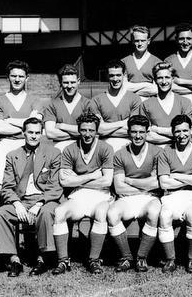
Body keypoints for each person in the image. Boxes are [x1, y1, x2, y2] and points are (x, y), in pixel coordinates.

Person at [0, 117, 61, 277]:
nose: (34, 136)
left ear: (42, 133)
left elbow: (55, 186)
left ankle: (42, 259)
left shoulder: (53, 153)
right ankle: (14, 259)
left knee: (45, 213)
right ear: (23, 133)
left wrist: (39, 204)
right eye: (30, 132)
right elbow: (7, 187)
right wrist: (17, 204)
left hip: (45, 200)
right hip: (22, 201)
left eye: (37, 133)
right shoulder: (13, 155)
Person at [51, 112, 114, 275]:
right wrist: (93, 176)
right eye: (84, 130)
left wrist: (77, 178)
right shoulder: (69, 149)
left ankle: (94, 259)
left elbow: (107, 181)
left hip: (101, 195)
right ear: (78, 130)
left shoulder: (105, 148)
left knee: (101, 212)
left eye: (91, 130)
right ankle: (63, 260)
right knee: (59, 212)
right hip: (78, 195)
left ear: (97, 131)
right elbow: (64, 181)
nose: (87, 134)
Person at [106, 115, 163, 272]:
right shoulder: (120, 154)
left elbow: (157, 184)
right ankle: (126, 257)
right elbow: (119, 187)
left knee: (153, 211)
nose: (138, 136)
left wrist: (130, 181)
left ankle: (142, 257)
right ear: (128, 132)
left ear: (147, 132)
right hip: (128, 198)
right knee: (112, 213)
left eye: (141, 132)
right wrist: (145, 186)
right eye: (134, 132)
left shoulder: (157, 152)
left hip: (150, 198)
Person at [156, 115, 192, 273]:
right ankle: (170, 259)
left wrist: (176, 175)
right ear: (173, 133)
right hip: (172, 196)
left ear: (191, 130)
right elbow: (164, 183)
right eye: (178, 131)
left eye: (185, 130)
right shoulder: (166, 151)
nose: (182, 135)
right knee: (165, 215)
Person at [0, 60, 42, 200]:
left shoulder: (35, 100)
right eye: (14, 76)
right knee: (0, 175)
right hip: (6, 143)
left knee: (31, 181)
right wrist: (27, 123)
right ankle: (3, 207)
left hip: (29, 145)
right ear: (8, 77)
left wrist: (10, 120)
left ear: (27, 78)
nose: (17, 79)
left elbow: (36, 126)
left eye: (21, 76)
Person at [89, 59, 142, 152]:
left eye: (118, 75)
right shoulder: (96, 100)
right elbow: (99, 130)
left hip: (128, 145)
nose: (115, 79)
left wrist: (106, 127)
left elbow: (134, 129)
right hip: (103, 147)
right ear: (107, 76)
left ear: (124, 75)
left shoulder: (135, 99)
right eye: (112, 75)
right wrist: (124, 122)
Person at [139, 62, 192, 146]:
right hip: (156, 150)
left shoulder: (185, 102)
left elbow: (187, 132)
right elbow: (147, 135)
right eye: (160, 78)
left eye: (167, 77)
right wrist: (176, 137)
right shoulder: (146, 104)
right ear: (154, 81)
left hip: (179, 149)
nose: (164, 82)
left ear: (172, 79)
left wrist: (157, 130)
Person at [43, 64, 93, 151]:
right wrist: (80, 133)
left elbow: (91, 131)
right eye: (66, 83)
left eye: (72, 82)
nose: (69, 86)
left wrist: (62, 126)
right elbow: (50, 133)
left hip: (83, 148)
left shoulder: (88, 104)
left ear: (78, 81)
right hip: (59, 148)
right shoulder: (52, 104)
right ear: (60, 83)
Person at [164, 23, 192, 102]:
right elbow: (167, 86)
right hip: (174, 101)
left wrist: (180, 81)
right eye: (182, 38)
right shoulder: (168, 60)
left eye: (188, 38)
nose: (185, 42)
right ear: (176, 39)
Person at [120, 25, 162, 99]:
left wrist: (132, 89)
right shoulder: (124, 62)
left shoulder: (157, 62)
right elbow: (122, 88)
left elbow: (156, 89)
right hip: (129, 103)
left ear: (148, 41)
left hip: (149, 103)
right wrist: (147, 85)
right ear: (133, 41)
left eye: (143, 41)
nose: (140, 44)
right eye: (137, 41)